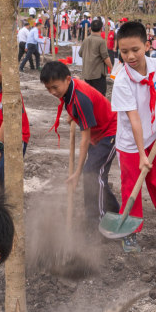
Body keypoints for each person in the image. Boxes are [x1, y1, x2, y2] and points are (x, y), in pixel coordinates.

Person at [110, 20, 156, 253]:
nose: (130, 56)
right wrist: (142, 154)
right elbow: (134, 121)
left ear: (147, 45)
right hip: (131, 144)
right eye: (124, 51)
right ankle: (130, 230)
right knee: (132, 186)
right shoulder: (122, 80)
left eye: (135, 50)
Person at [41, 60, 120, 227]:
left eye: (55, 87)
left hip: (110, 132)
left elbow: (85, 139)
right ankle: (114, 213)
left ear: (67, 80)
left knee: (91, 174)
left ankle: (95, 223)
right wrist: (73, 115)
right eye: (48, 88)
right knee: (96, 176)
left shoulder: (80, 99)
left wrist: (77, 172)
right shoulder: (70, 88)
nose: (52, 92)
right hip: (98, 133)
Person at [0, 45, 30, 188]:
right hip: (0, 136)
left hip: (16, 136)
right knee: (2, 173)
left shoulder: (10, 91)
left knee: (6, 171)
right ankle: (3, 198)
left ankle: (10, 200)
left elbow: (8, 121)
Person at [79, 18, 112, 95]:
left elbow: (80, 53)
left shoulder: (86, 40)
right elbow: (105, 57)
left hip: (87, 73)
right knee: (99, 96)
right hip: (97, 74)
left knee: (89, 95)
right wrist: (111, 67)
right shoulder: (101, 41)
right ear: (101, 29)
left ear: (90, 28)